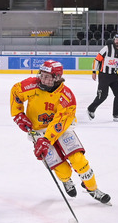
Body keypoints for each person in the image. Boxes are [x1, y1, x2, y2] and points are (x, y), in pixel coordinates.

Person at [11, 60, 111, 204]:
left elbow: (60, 123)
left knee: (78, 160)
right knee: (62, 170)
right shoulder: (31, 85)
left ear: (57, 78)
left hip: (62, 129)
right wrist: (18, 114)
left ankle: (92, 188)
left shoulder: (66, 96)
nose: (43, 79)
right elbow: (16, 91)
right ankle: (66, 180)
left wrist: (46, 140)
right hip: (38, 131)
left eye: (47, 77)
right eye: (42, 75)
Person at [86, 32, 118, 121]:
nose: (117, 41)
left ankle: (116, 114)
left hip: (114, 76)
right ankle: (91, 109)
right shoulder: (106, 48)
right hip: (104, 75)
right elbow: (97, 60)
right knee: (102, 96)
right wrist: (94, 72)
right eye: (116, 39)